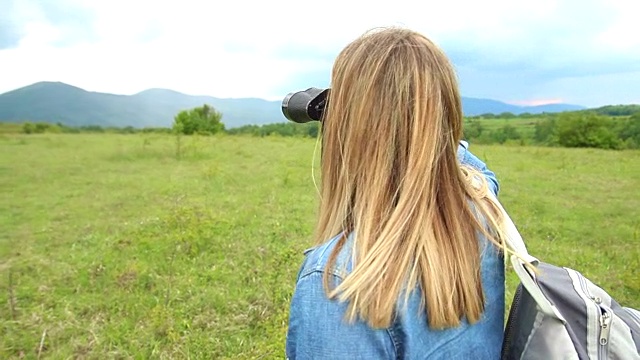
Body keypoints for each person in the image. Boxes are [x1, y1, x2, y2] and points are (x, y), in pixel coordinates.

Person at [286, 27, 508, 359]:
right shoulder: (481, 214)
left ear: (351, 126)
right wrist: (424, 122)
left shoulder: (338, 283)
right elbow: (477, 171)